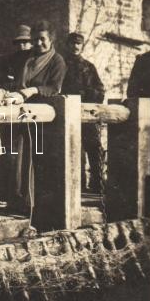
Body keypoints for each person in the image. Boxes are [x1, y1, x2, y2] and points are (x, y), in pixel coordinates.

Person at [7, 20, 67, 215]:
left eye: (42, 39)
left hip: (43, 119)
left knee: (37, 160)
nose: (38, 43)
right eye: (35, 40)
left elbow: (54, 88)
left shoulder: (57, 61)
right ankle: (17, 201)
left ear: (51, 39)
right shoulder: (26, 58)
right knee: (18, 159)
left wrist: (31, 90)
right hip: (21, 114)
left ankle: (35, 206)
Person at [62, 32, 106, 193]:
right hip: (67, 113)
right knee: (71, 148)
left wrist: (89, 97)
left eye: (78, 43)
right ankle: (76, 185)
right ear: (67, 45)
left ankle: (97, 183)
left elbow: (100, 89)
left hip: (87, 114)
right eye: (72, 43)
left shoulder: (88, 67)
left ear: (82, 46)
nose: (75, 46)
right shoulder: (61, 65)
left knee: (94, 148)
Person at [0, 24, 33, 91]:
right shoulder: (10, 59)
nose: (21, 45)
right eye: (18, 42)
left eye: (25, 42)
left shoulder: (36, 59)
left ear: (32, 44)